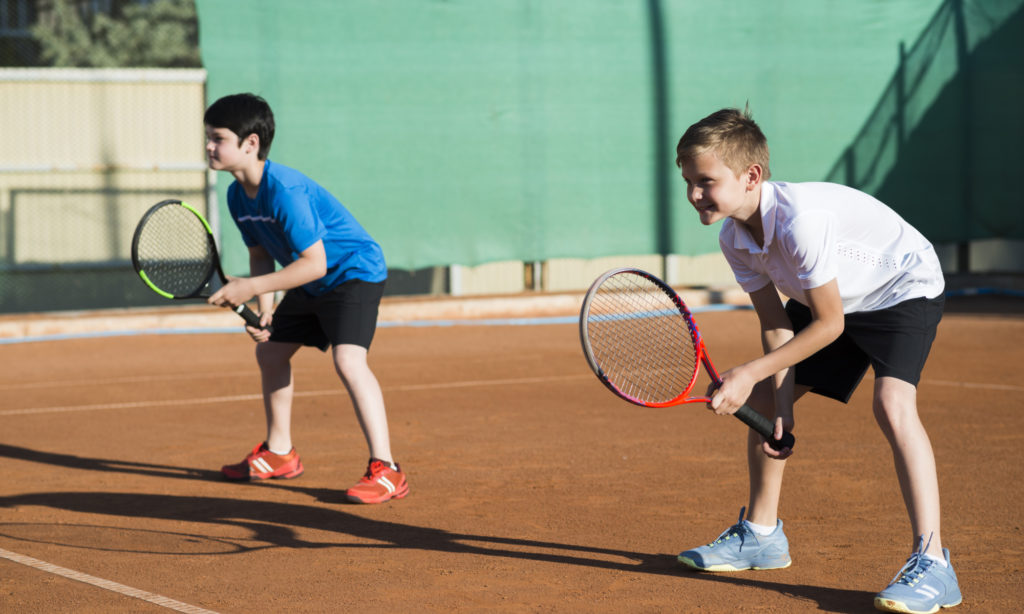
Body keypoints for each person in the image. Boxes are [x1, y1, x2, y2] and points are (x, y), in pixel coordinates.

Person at [673, 108, 960, 613]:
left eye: (705, 181)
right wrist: (779, 408)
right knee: (763, 397)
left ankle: (934, 564)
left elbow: (830, 326)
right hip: (831, 295)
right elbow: (777, 325)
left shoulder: (801, 222)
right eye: (688, 181)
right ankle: (762, 536)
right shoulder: (734, 238)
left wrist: (749, 371)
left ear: (751, 176)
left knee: (893, 403)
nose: (694, 193)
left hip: (900, 287)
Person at [202, 92, 408, 504]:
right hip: (311, 280)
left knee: (349, 360)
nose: (209, 146)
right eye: (207, 137)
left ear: (251, 144)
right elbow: (260, 253)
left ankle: (387, 470)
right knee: (271, 353)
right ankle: (280, 453)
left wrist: (251, 288)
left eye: (218, 138)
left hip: (352, 272)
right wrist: (264, 311)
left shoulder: (285, 191)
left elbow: (316, 262)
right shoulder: (236, 195)